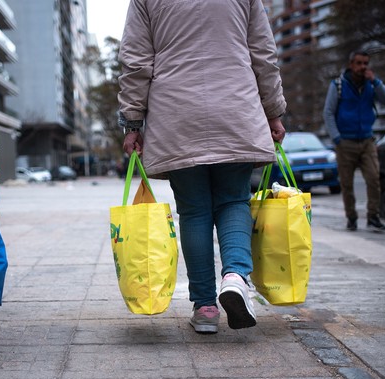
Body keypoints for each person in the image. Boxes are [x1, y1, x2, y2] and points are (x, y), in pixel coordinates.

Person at [118, 0, 286, 334]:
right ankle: (236, 276)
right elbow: (263, 54)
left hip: (176, 112)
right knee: (234, 200)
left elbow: (135, 59)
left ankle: (206, 307)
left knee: (194, 211)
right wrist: (274, 110)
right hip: (235, 106)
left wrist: (133, 121)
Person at [323, 50, 385, 232]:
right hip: (345, 142)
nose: (363, 67)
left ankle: (373, 217)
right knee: (346, 184)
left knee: (373, 179)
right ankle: (352, 217)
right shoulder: (338, 85)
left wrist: (376, 81)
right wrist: (336, 138)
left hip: (367, 141)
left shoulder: (372, 85)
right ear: (351, 65)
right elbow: (328, 113)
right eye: (359, 63)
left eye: (366, 63)